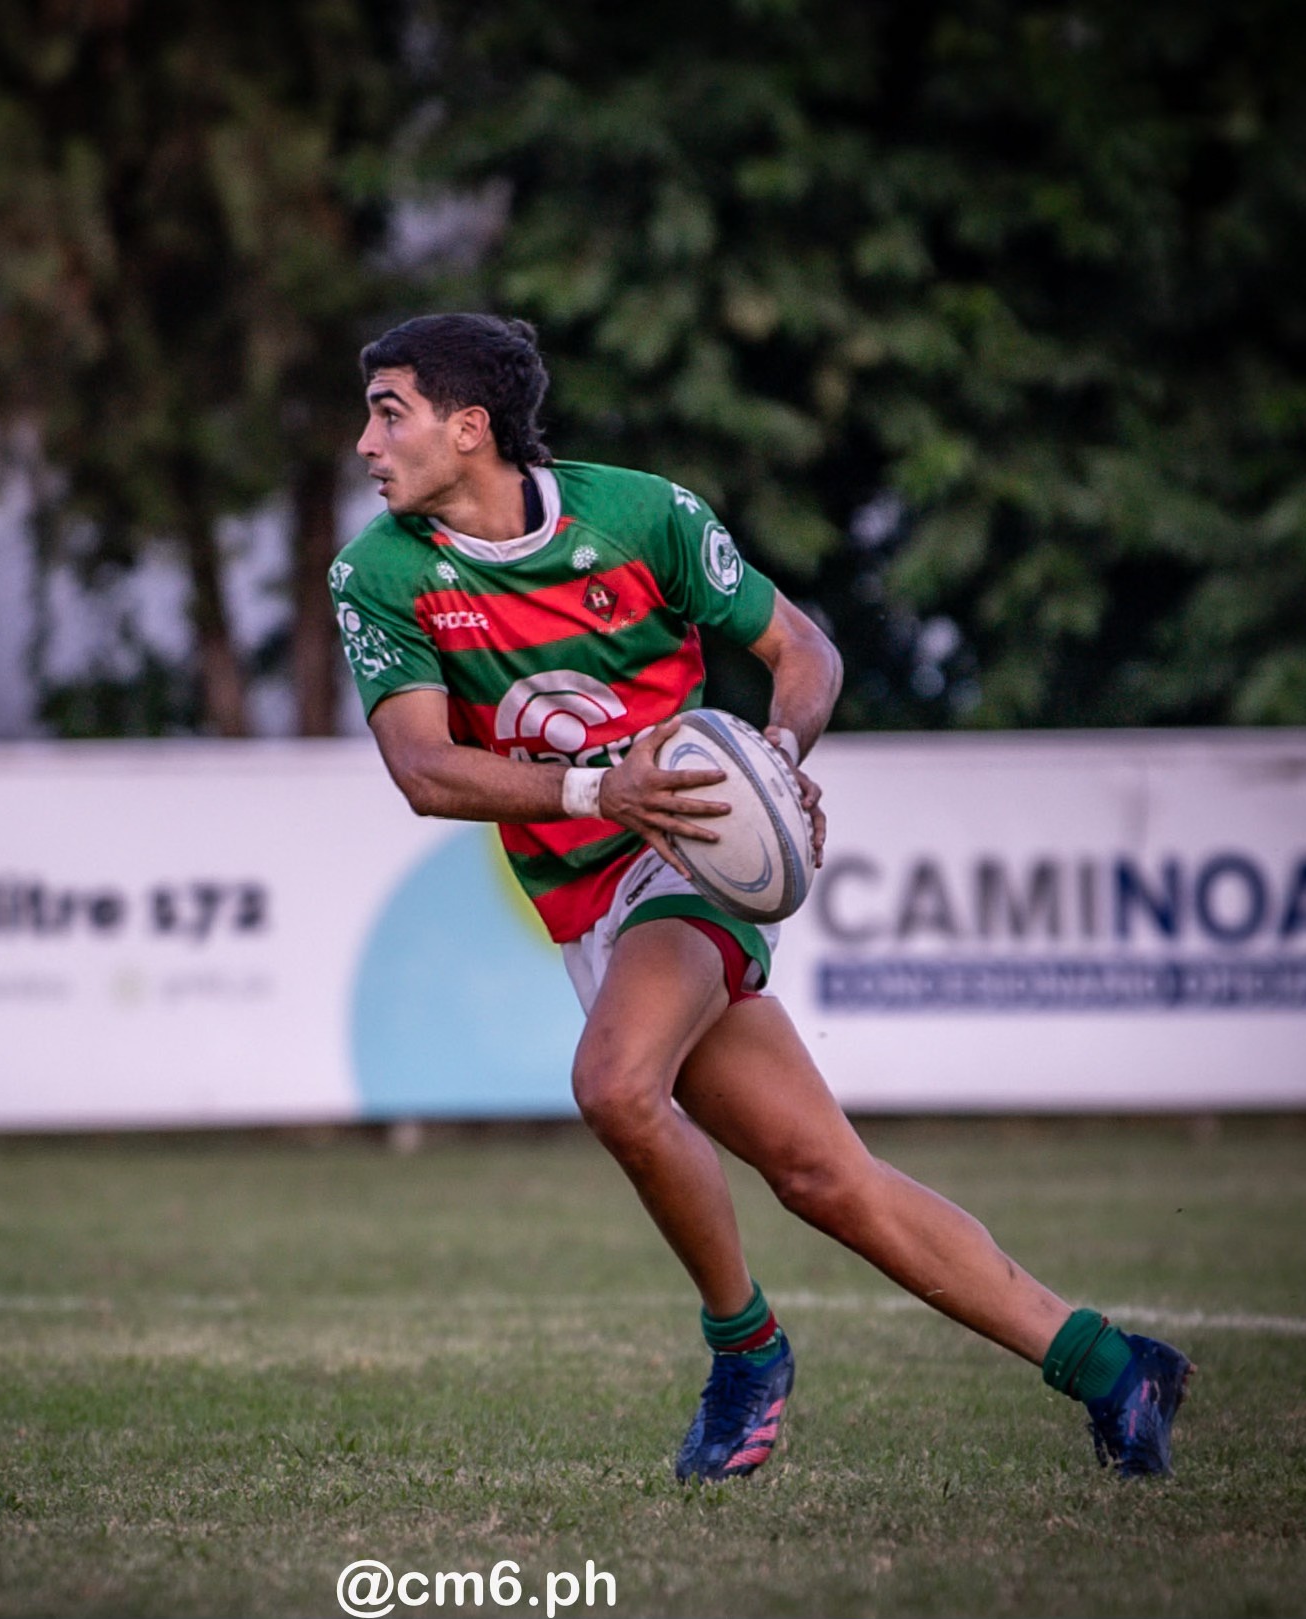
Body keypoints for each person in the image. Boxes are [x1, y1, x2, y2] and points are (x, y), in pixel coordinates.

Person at [331, 312, 1192, 1481]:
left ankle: (745, 1350)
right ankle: (1111, 1366)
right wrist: (598, 788)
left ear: (468, 426)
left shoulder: (641, 515)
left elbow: (804, 654)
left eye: (388, 414)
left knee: (614, 1083)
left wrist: (775, 765)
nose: (366, 444)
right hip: (587, 895)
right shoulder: (381, 572)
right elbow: (424, 770)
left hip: (694, 861)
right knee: (822, 1176)